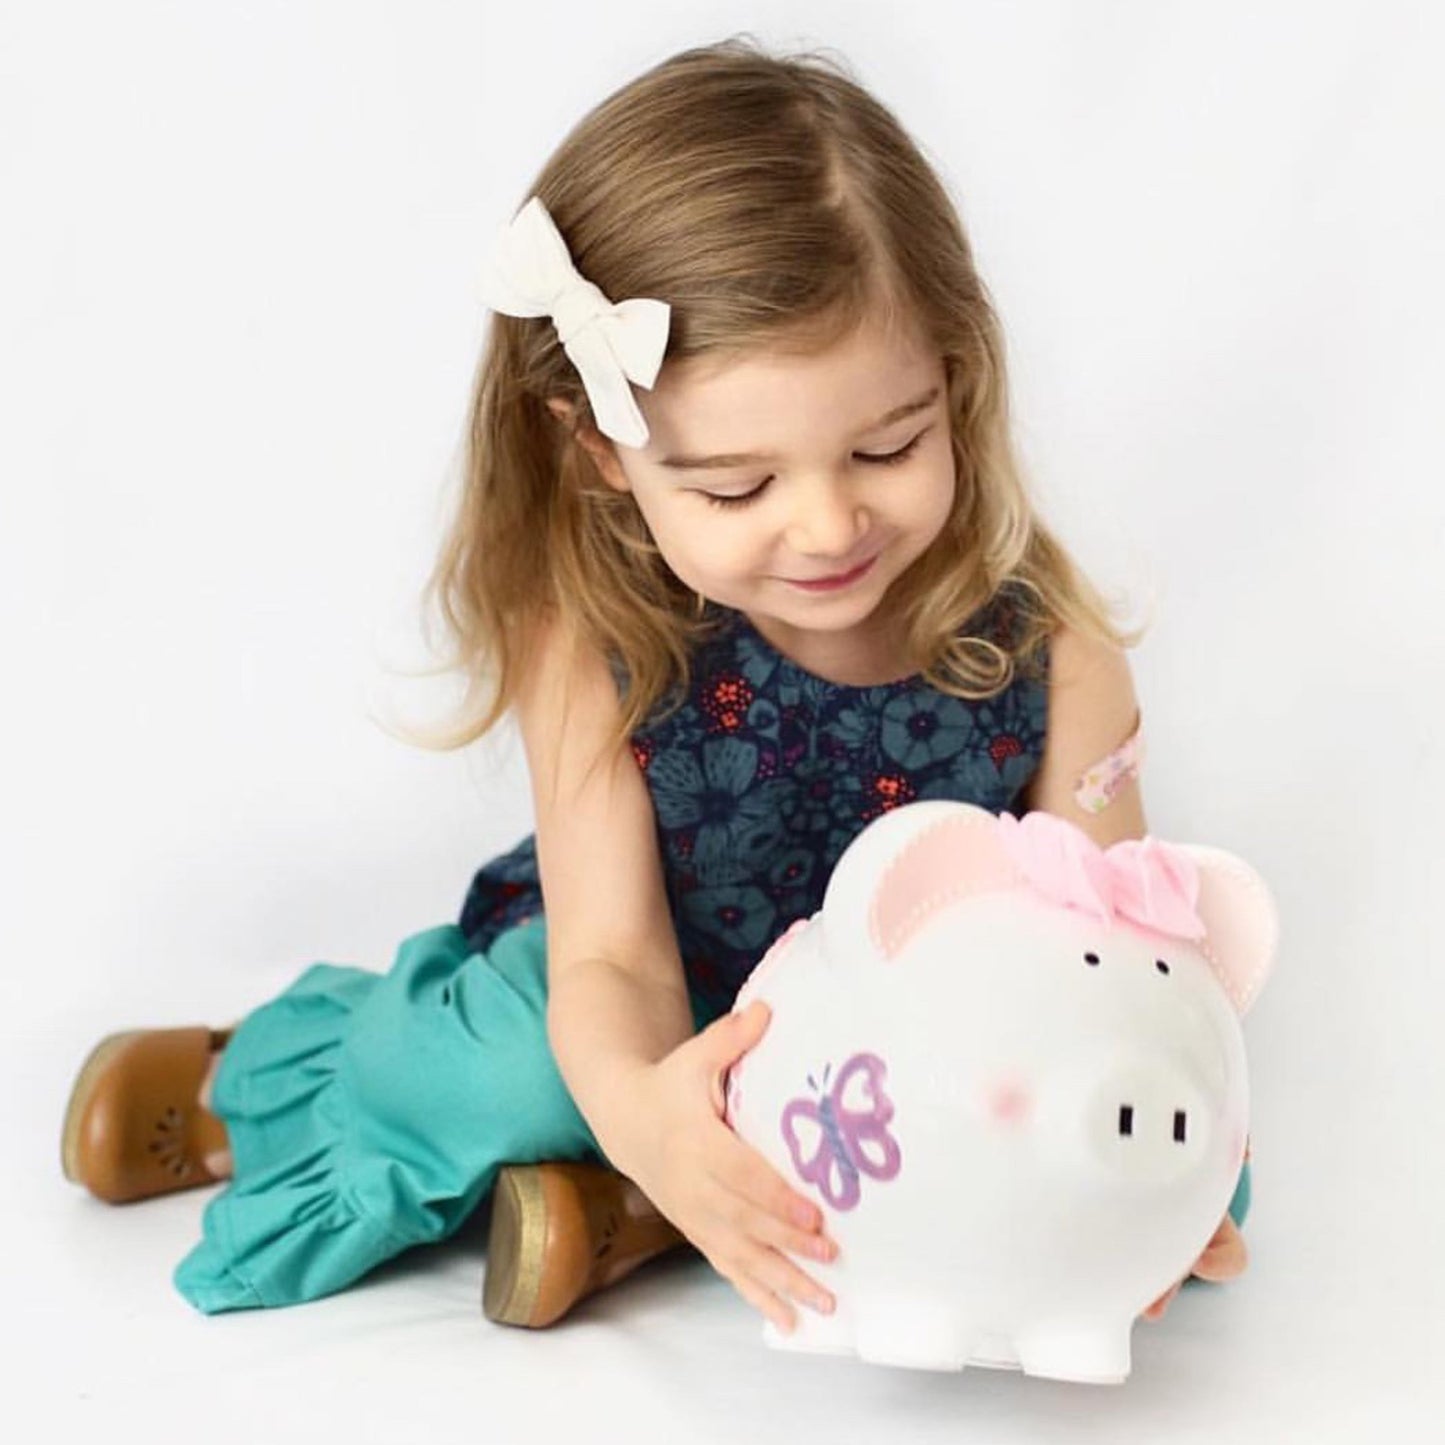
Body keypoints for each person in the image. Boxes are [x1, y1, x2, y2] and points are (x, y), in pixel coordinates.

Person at [59, 35, 1251, 1335]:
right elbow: (610, 960)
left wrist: (1134, 1167)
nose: (824, 524)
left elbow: (1107, 941)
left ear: (952, 381)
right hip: (649, 987)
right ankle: (284, 1074)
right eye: (735, 486)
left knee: (1189, 1133)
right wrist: (642, 1106)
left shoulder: (1049, 647)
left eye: (887, 444)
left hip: (907, 1035)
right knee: (515, 1073)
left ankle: (641, 1215)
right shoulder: (596, 631)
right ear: (603, 450)